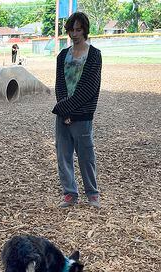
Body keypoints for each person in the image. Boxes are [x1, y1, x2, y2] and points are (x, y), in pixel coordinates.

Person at [52, 12, 102, 209]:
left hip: (82, 115)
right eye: (72, 29)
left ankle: (92, 194)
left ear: (85, 30)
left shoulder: (94, 55)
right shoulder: (62, 55)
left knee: (86, 156)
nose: (75, 33)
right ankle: (70, 193)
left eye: (79, 29)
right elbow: (60, 85)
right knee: (63, 155)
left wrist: (68, 111)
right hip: (64, 114)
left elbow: (89, 87)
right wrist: (64, 112)